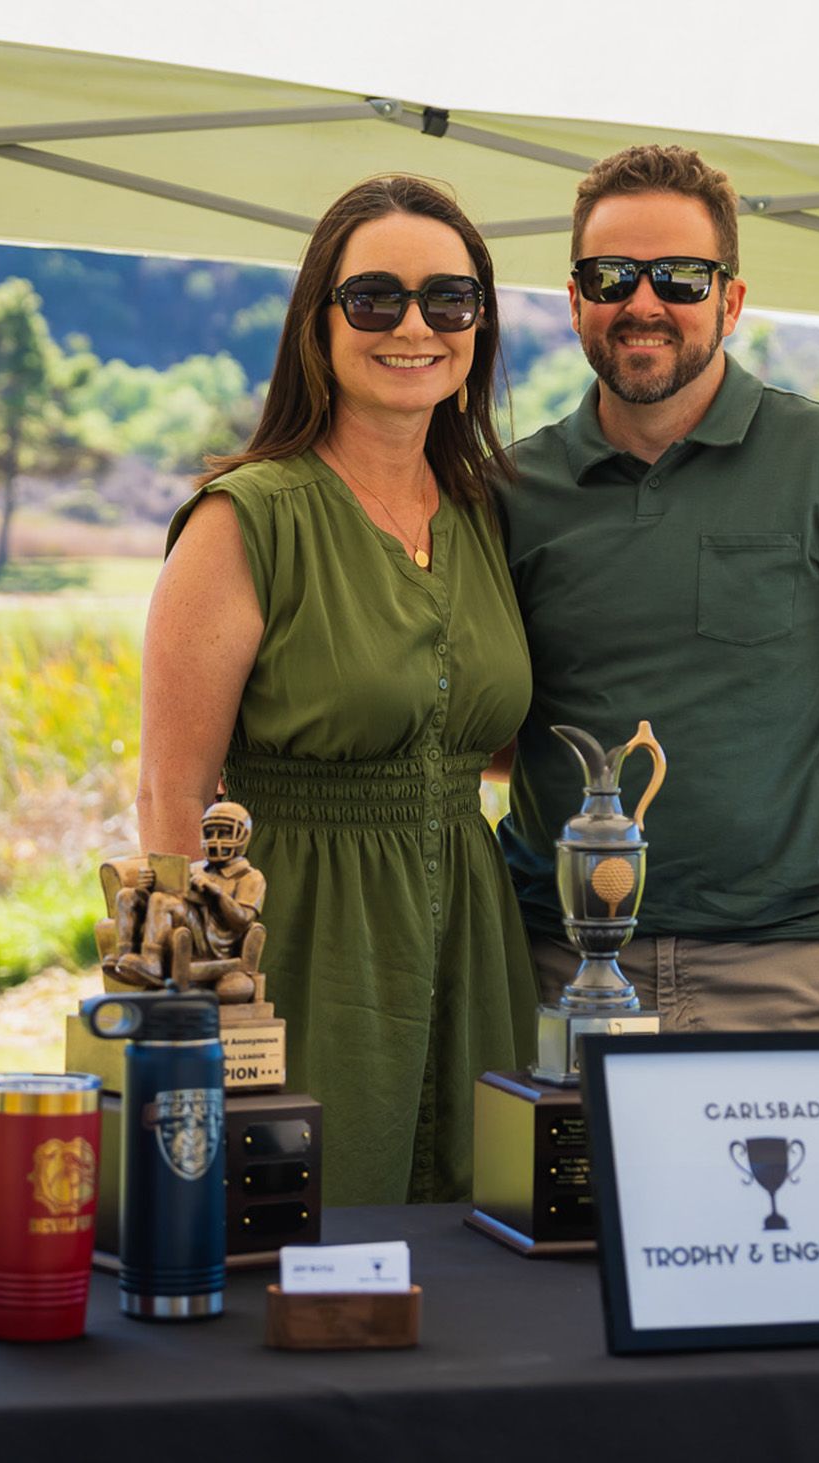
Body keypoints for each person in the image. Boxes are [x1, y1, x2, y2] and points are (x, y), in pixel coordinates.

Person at [497, 144, 819, 1031]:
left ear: (732, 300)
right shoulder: (510, 489)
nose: (644, 302)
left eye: (680, 276)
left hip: (791, 973)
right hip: (554, 972)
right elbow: (487, 734)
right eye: (612, 276)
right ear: (574, 302)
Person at [136, 176, 537, 1204]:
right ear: (319, 323)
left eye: (450, 300)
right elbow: (171, 796)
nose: (415, 326)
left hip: (472, 938)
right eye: (375, 299)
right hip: (303, 941)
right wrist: (198, 1009)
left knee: (476, 1263)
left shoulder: (487, 516)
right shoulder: (244, 520)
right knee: (299, 1238)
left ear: (480, 327)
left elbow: (466, 728)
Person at [110, 800, 266, 988]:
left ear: (242, 835)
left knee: (162, 901)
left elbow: (242, 920)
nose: (216, 839)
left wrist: (215, 893)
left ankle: (153, 961)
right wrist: (146, 889)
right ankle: (125, 955)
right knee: (127, 896)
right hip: (190, 923)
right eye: (210, 833)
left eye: (224, 832)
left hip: (214, 938)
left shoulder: (250, 877)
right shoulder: (196, 868)